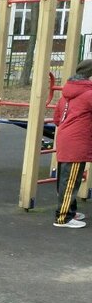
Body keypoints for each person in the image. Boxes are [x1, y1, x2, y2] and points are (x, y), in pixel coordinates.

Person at [52, 58, 92, 228]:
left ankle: (70, 211)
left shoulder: (66, 94)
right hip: (77, 142)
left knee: (67, 179)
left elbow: (56, 118)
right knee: (70, 181)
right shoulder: (89, 94)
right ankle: (63, 217)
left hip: (64, 139)